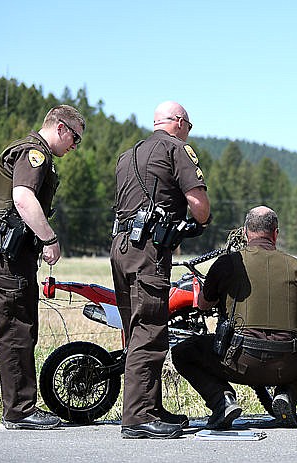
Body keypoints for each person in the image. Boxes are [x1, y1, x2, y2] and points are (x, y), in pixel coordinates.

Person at [0, 105, 85, 430]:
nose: (75, 146)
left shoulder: (33, 153)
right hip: (8, 255)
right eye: (76, 138)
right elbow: (23, 198)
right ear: (62, 128)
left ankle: (20, 407)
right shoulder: (34, 154)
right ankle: (20, 410)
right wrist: (49, 238)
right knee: (17, 329)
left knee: (21, 327)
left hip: (12, 253)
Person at [110, 101, 211, 439]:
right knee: (150, 331)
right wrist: (201, 221)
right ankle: (138, 418)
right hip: (148, 251)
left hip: (121, 247)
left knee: (135, 329)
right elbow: (198, 204)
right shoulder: (176, 149)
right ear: (179, 123)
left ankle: (148, 407)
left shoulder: (128, 154)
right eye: (189, 126)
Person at [171, 206, 297, 429]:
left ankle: (222, 400)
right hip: (287, 365)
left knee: (182, 352)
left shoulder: (228, 262)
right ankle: (287, 394)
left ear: (245, 232)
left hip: (239, 360)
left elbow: (203, 304)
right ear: (275, 233)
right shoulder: (294, 265)